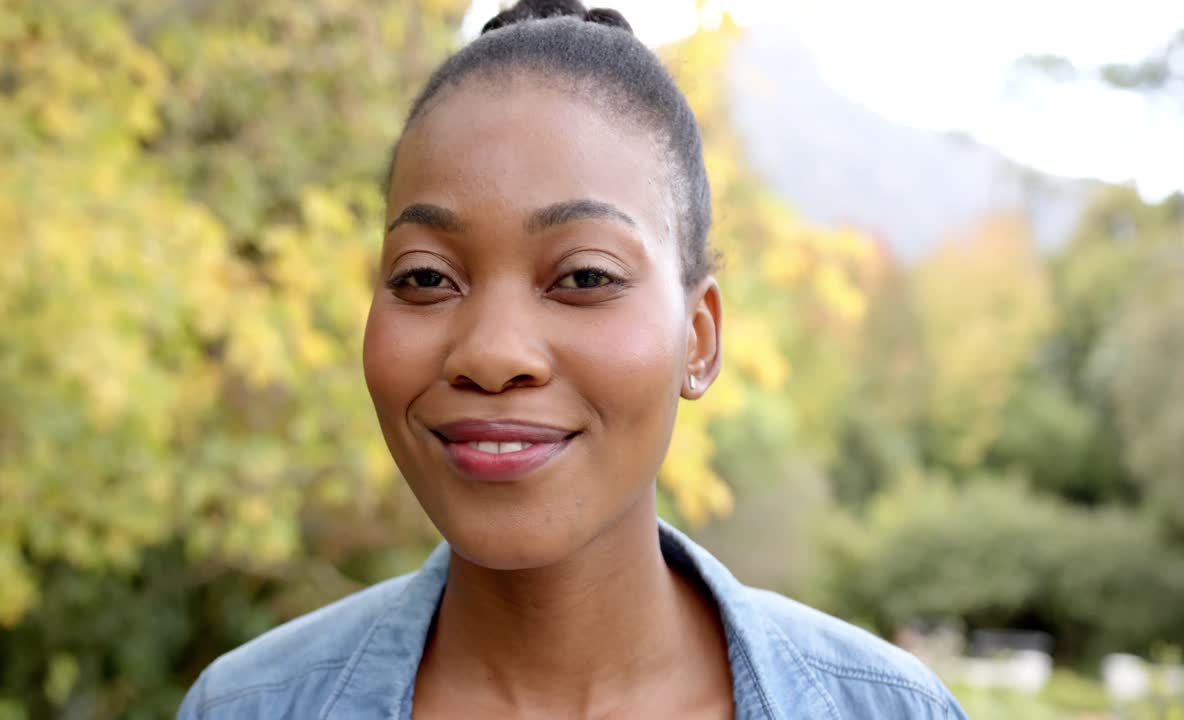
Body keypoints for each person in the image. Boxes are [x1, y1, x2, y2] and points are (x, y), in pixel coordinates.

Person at [178, 1, 970, 717]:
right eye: (425, 277)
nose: (490, 354)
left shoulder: (886, 709)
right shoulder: (247, 707)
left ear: (699, 338)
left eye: (584, 276)